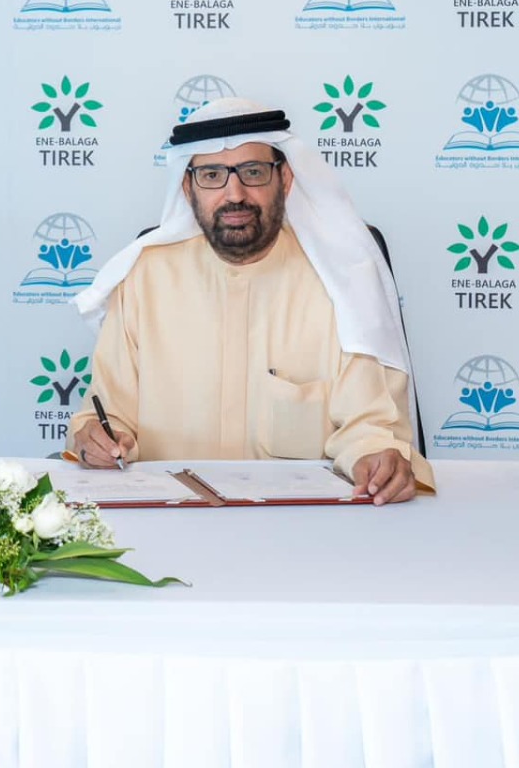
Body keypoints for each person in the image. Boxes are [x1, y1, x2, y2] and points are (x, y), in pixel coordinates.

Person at [68, 97, 432, 504]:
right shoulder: (144, 278)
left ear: (285, 180)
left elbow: (370, 427)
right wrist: (96, 439)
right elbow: (107, 415)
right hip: (170, 519)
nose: (235, 194)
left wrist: (378, 460)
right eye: (212, 175)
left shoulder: (341, 280)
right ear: (188, 188)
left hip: (302, 525)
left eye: (253, 172)